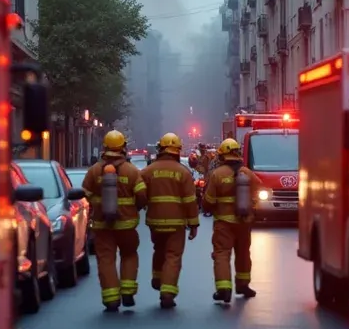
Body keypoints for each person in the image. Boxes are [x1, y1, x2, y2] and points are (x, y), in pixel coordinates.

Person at [81, 130, 147, 311]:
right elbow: (141, 195)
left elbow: (85, 194)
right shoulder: (131, 171)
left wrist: (98, 206)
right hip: (127, 224)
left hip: (103, 225)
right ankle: (127, 291)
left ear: (105, 147)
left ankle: (111, 298)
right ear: (123, 147)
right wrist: (136, 208)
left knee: (106, 260)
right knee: (129, 255)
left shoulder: (94, 170)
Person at [140, 133, 200, 309]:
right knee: (173, 255)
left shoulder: (148, 171)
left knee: (158, 250)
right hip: (176, 223)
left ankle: (158, 278)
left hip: (155, 221)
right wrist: (194, 224)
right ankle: (167, 292)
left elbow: (141, 196)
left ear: (160, 149)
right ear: (177, 151)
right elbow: (190, 201)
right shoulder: (184, 173)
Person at [202, 138, 265, 303]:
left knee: (222, 254)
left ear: (222, 155)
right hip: (244, 222)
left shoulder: (217, 174)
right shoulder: (247, 173)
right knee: (243, 253)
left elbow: (208, 200)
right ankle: (243, 285)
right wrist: (253, 208)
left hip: (224, 223)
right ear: (237, 153)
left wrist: (207, 208)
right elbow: (259, 188)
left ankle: (224, 288)